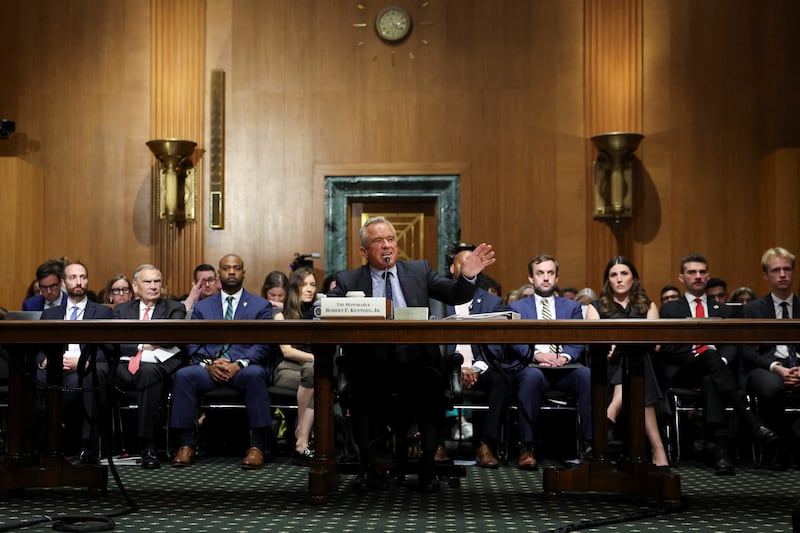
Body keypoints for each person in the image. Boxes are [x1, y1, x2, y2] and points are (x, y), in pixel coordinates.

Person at [328, 216, 495, 491]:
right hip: (373, 364)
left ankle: (427, 464)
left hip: (417, 362)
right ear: (363, 251)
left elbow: (454, 295)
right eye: (378, 241)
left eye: (391, 240)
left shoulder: (419, 271)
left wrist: (467, 276)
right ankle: (372, 463)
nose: (386, 247)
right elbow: (321, 312)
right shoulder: (349, 280)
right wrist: (343, 307)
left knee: (431, 383)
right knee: (360, 386)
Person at [660, 253, 776, 475]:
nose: (698, 276)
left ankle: (721, 454)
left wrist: (719, 361)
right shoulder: (670, 310)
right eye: (692, 272)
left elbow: (731, 345)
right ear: (681, 277)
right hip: (685, 371)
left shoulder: (723, 310)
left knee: (710, 377)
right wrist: (707, 359)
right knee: (709, 358)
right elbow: (670, 349)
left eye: (702, 272)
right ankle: (750, 422)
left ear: (708, 275)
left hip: (715, 373)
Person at [171, 254, 274, 470]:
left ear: (244, 272)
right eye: (226, 268)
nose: (232, 272)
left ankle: (257, 447)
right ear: (219, 274)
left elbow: (263, 343)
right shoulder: (203, 307)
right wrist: (209, 364)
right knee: (184, 375)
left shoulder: (260, 305)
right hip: (210, 368)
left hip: (244, 367)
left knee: (256, 375)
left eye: (237, 268)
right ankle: (185, 445)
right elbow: (193, 343)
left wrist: (239, 364)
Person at [507, 254, 592, 469]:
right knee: (531, 377)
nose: (545, 278)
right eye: (540, 273)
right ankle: (527, 448)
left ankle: (592, 446)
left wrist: (563, 357)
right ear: (530, 278)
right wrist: (536, 354)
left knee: (587, 375)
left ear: (556, 277)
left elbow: (578, 339)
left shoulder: (571, 307)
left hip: (566, 367)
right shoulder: (518, 308)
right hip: (534, 366)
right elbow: (514, 342)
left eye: (550, 273)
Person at [585, 256, 669, 467]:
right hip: (607, 367)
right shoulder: (596, 307)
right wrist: (609, 345)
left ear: (634, 278)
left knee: (636, 356)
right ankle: (658, 449)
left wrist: (622, 343)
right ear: (608, 281)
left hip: (644, 364)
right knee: (633, 361)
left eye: (624, 274)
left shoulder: (648, 306)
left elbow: (657, 344)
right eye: (614, 275)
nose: (619, 279)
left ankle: (613, 409)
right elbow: (592, 344)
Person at [36, 261, 113, 463]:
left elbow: (110, 350)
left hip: (83, 368)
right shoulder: (50, 314)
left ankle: (68, 444)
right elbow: (39, 347)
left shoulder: (103, 312)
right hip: (54, 367)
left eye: (82, 277)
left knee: (74, 386)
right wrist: (44, 360)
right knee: (31, 382)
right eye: (73, 277)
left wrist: (85, 361)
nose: (79, 282)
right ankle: (38, 444)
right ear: (63, 282)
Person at [113, 264, 187, 469]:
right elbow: (114, 342)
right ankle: (93, 445)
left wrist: (137, 340)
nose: (153, 286)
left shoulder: (174, 308)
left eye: (157, 281)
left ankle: (148, 446)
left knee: (147, 373)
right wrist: (143, 343)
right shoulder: (121, 310)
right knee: (99, 372)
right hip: (125, 364)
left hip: (160, 364)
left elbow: (169, 338)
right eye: (147, 282)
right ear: (136, 287)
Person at [444, 245, 508, 468]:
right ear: (452, 268)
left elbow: (496, 347)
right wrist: (456, 369)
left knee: (501, 379)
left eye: (474, 264)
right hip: (446, 366)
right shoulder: (439, 299)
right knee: (427, 375)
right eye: (464, 263)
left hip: (481, 367)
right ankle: (435, 444)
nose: (469, 268)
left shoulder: (491, 303)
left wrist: (476, 368)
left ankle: (485, 445)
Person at [741, 247, 800, 470]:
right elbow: (748, 352)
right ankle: (780, 447)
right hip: (766, 368)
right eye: (776, 270)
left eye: (787, 269)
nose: (782, 274)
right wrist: (777, 368)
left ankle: (793, 442)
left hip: (798, 366)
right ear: (766, 276)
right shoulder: (754, 309)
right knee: (772, 387)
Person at [272, 266, 317, 463]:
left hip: (311, 371)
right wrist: (316, 358)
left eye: (313, 285)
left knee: (313, 375)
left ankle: (301, 439)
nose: (309, 289)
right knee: (315, 377)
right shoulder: (281, 316)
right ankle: (303, 434)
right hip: (288, 369)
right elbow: (287, 351)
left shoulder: (320, 315)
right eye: (304, 284)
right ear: (294, 288)